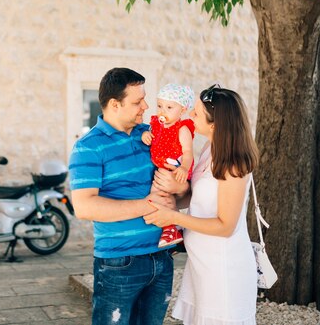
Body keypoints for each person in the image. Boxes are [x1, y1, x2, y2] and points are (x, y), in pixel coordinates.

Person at [69, 67, 189, 325]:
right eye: (137, 101)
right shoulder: (88, 147)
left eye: (145, 98)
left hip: (163, 257)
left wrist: (180, 189)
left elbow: (182, 193)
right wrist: (149, 205)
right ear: (114, 104)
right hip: (118, 264)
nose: (146, 106)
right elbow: (84, 207)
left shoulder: (154, 134)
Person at [144, 84, 259, 325]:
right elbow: (198, 197)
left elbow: (225, 226)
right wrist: (174, 194)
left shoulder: (234, 164)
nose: (189, 116)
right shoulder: (209, 148)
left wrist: (172, 217)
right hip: (202, 265)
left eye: (195, 113)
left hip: (223, 268)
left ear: (215, 125)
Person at [141, 83, 195, 247]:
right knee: (161, 195)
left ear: (182, 109)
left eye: (169, 107)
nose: (162, 111)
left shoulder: (181, 129)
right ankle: (173, 227)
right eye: (159, 106)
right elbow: (151, 136)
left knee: (160, 195)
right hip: (161, 167)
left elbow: (188, 152)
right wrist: (145, 135)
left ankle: (171, 227)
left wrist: (184, 168)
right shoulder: (157, 124)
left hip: (175, 167)